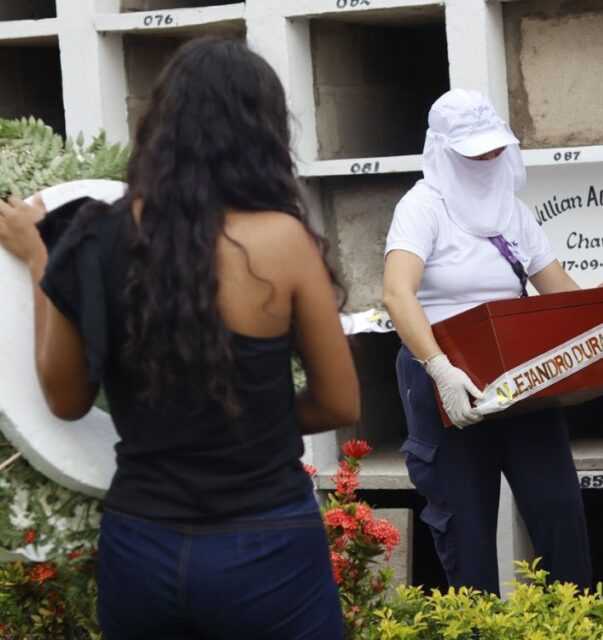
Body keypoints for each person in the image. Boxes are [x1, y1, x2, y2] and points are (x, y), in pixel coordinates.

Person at [0, 38, 358, 639]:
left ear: (157, 129)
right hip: (266, 544)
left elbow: (66, 402)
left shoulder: (91, 238)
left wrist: (43, 260)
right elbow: (340, 403)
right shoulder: (282, 241)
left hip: (144, 545)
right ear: (264, 134)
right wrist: (242, 419)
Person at [382, 89, 594, 594]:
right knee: (466, 530)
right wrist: (438, 366)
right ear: (443, 150)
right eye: (473, 151)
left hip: (518, 376)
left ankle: (578, 623)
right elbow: (396, 293)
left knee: (558, 510)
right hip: (444, 379)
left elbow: (561, 294)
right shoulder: (421, 208)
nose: (487, 159)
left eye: (494, 148)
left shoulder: (513, 211)